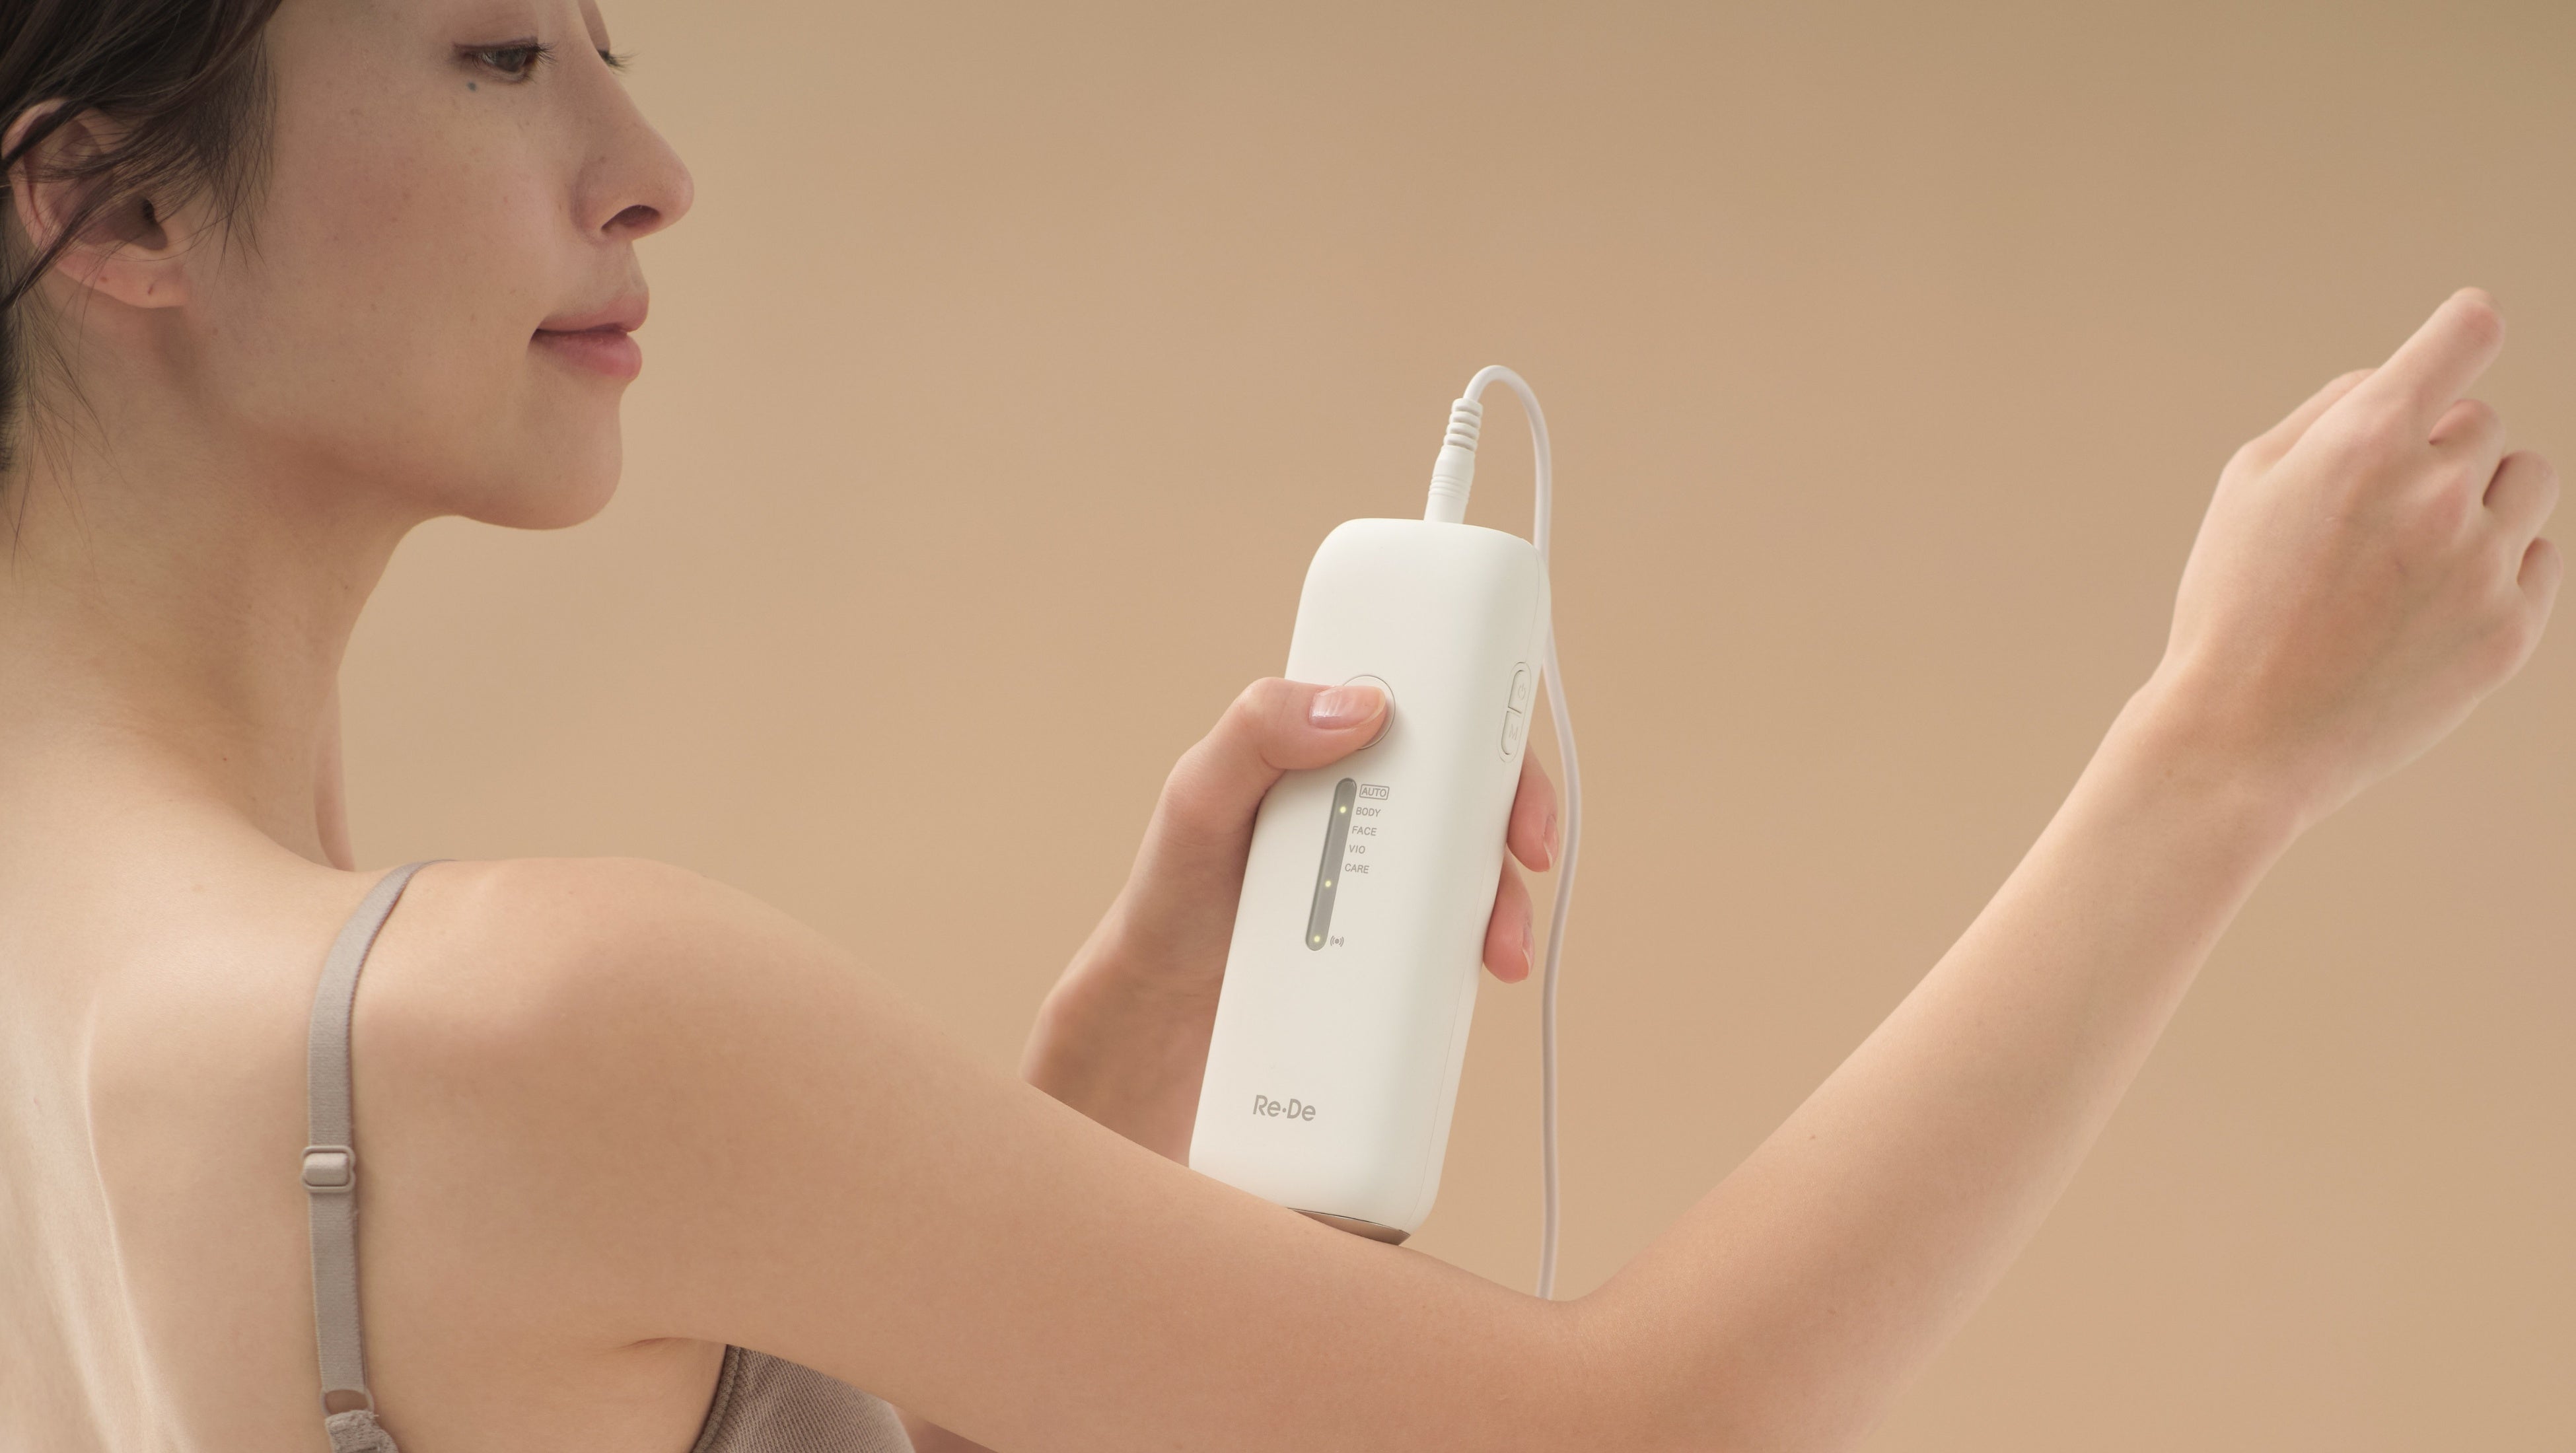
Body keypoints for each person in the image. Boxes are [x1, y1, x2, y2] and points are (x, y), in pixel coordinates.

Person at [0, 2, 2557, 1451]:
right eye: (489, 51)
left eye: (604, 42)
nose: (647, 163)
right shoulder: (527, 1023)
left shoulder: (119, 992)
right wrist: (2220, 752)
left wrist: (1085, 1112)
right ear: (105, 204)